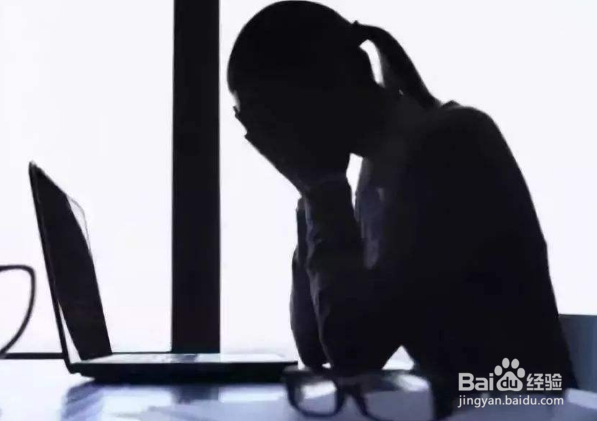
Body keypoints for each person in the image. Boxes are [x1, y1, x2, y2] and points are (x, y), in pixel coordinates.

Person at [227, 1, 576, 388]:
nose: (273, 141)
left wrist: (322, 191)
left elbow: (353, 350)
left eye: (272, 119)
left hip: (520, 405)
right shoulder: (375, 171)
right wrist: (311, 193)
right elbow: (316, 347)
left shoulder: (451, 145)